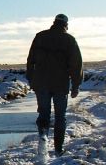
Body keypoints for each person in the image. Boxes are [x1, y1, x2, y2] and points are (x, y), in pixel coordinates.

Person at [26, 13, 83, 156]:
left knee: (44, 113)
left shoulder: (40, 37)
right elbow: (76, 65)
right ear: (66, 25)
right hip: (60, 85)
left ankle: (43, 139)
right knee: (60, 117)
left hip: (41, 83)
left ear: (54, 22)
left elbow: (30, 60)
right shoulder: (69, 40)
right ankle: (58, 148)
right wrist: (76, 85)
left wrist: (31, 79)